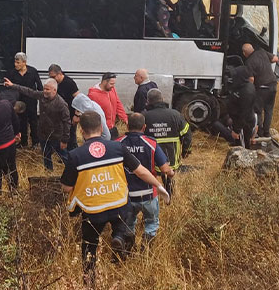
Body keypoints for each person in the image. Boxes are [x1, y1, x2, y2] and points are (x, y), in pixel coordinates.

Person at [61, 111, 170, 289]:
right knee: (123, 223)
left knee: (89, 246)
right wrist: (158, 186)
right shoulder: (117, 148)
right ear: (102, 127)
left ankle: (90, 281)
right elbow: (141, 171)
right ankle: (119, 238)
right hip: (118, 204)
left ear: (81, 130)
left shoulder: (75, 155)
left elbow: (66, 187)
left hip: (93, 210)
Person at [116, 113, 174, 248]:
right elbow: (165, 169)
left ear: (127, 125)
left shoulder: (118, 143)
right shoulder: (151, 143)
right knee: (152, 223)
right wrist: (171, 173)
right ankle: (146, 251)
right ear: (144, 127)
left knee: (128, 223)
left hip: (126, 195)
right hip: (148, 193)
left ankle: (129, 248)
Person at [5, 77, 71, 171]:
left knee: (64, 156)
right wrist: (13, 86)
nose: (44, 91)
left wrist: (65, 139)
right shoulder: (42, 95)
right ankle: (48, 172)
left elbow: (67, 122)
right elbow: (28, 91)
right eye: (44, 88)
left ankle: (72, 172)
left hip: (56, 136)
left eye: (47, 89)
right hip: (43, 134)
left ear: (54, 90)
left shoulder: (61, 104)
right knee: (46, 156)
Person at [142, 89, 191, 197]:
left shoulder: (144, 116)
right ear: (162, 99)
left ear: (148, 101)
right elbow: (186, 133)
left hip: (151, 155)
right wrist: (186, 150)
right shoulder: (175, 114)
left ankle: (151, 195)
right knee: (169, 177)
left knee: (150, 176)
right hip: (171, 154)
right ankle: (170, 195)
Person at [5, 52, 42, 148]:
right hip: (18, 101)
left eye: (18, 63)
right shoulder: (11, 73)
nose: (15, 64)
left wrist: (41, 97)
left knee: (33, 121)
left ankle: (35, 142)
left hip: (31, 100)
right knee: (21, 121)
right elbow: (8, 88)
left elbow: (39, 86)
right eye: (15, 62)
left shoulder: (33, 71)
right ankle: (23, 142)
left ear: (24, 62)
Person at [242, 43, 278, 139]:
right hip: (273, 85)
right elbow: (275, 59)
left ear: (244, 53)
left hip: (262, 88)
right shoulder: (262, 52)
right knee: (269, 110)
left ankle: (260, 132)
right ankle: (267, 132)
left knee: (257, 110)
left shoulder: (249, 62)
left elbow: (251, 79)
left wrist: (248, 89)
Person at [88, 72, 127, 140]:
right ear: (104, 82)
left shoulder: (111, 90)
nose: (113, 86)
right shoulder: (93, 95)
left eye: (114, 84)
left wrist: (125, 119)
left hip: (112, 127)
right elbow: (91, 114)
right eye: (111, 84)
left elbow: (118, 104)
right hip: (101, 131)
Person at [48, 64, 80, 149]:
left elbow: (79, 98)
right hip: (59, 115)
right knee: (60, 135)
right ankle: (63, 154)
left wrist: (77, 115)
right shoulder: (54, 84)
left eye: (53, 77)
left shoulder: (69, 83)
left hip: (70, 114)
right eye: (50, 77)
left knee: (71, 136)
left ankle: (73, 154)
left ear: (59, 74)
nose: (52, 79)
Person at [227, 62, 257, 146]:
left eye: (235, 75)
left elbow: (244, 113)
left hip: (244, 125)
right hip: (237, 121)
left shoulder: (248, 92)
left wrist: (237, 130)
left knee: (243, 147)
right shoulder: (239, 85)